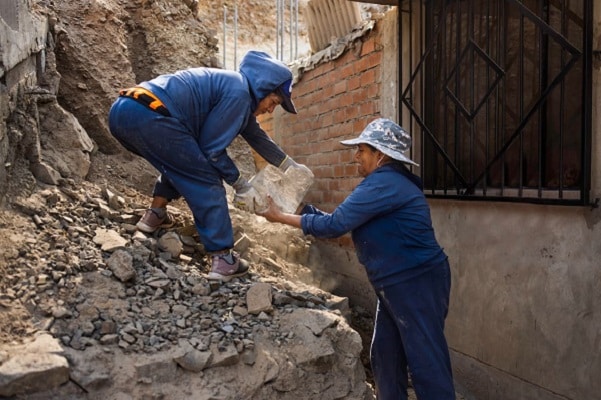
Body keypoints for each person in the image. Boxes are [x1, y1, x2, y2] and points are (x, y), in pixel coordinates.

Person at [258, 118, 456, 400]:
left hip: (416, 281)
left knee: (427, 363)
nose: (356, 156)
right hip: (393, 283)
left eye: (362, 150)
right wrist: (299, 209)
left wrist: (280, 217)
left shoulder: (384, 183)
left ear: (380, 155)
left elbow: (334, 226)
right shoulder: (385, 183)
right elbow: (340, 221)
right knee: (385, 355)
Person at [108, 50, 308, 282]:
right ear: (263, 87)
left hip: (125, 111)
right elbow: (212, 150)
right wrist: (240, 184)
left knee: (184, 163)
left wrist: (290, 166)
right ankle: (223, 259)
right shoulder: (239, 94)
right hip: (152, 117)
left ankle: (154, 216)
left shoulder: (235, 88)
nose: (271, 110)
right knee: (207, 178)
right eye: (273, 102)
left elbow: (256, 136)